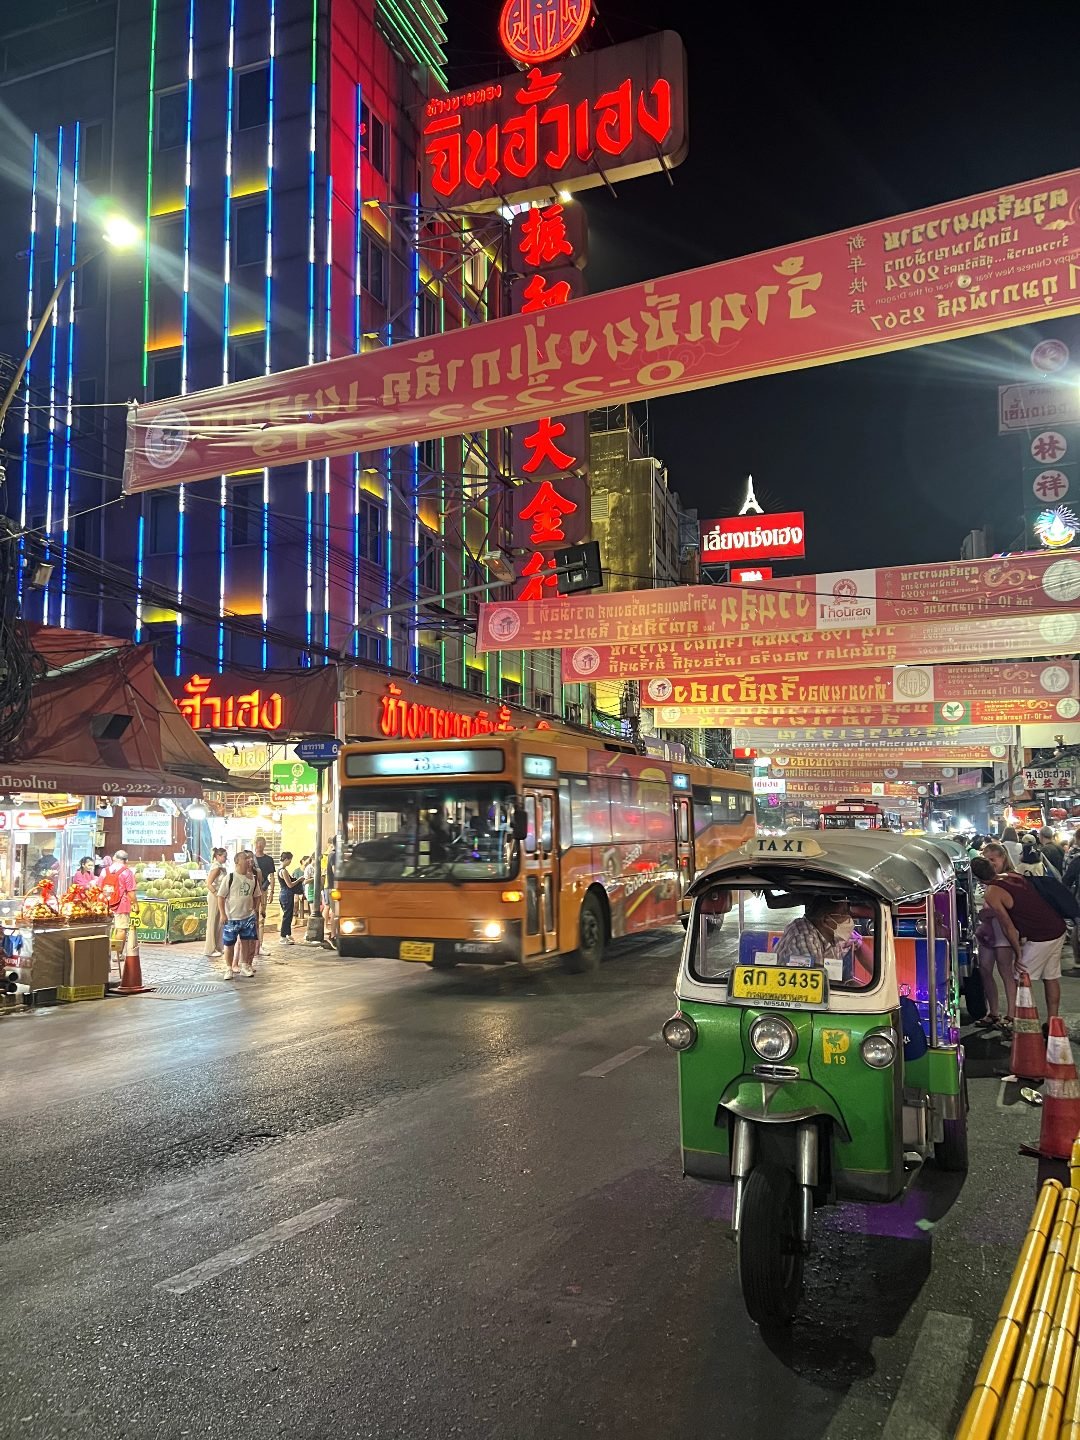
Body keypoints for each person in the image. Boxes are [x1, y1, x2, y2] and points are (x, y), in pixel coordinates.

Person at [970, 855, 1065, 1031]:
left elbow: (1008, 927)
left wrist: (1018, 954)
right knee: (1050, 976)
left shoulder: (992, 892)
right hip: (1057, 927)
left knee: (1020, 976)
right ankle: (1053, 1021)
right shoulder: (1014, 876)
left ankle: (1022, 1024)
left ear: (978, 878)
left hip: (1041, 935)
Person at [775, 896, 874, 982]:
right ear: (826, 920)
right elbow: (815, 980)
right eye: (844, 914)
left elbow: (858, 944)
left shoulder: (833, 931)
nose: (849, 918)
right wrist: (848, 985)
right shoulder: (802, 937)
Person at [217, 850, 259, 978]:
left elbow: (257, 895)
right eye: (245, 859)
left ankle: (245, 965)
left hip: (247, 917)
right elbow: (221, 896)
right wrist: (223, 914)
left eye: (249, 859)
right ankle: (229, 968)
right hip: (231, 917)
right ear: (237, 862)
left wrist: (255, 909)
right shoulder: (230, 878)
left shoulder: (253, 879)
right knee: (229, 944)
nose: (248, 861)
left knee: (246, 942)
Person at [101, 850, 138, 972]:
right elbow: (131, 891)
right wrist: (135, 904)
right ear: (126, 861)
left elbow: (99, 887)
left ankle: (103, 953)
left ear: (113, 857)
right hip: (121, 904)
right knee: (121, 928)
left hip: (105, 903)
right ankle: (117, 955)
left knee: (106, 929)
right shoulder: (127, 872)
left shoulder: (104, 871)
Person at [202, 847, 227, 959]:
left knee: (219, 922)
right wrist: (216, 894)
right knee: (213, 921)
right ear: (217, 856)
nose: (225, 858)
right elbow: (209, 883)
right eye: (224, 856)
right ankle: (210, 948)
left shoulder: (221, 867)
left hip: (219, 896)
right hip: (214, 897)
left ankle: (218, 946)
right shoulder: (216, 867)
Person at [252, 838, 275, 955]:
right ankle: (250, 944)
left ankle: (259, 945)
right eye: (257, 843)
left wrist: (272, 891)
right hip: (251, 891)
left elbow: (271, 876)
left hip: (263, 890)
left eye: (261, 844)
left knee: (261, 917)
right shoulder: (250, 859)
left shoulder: (269, 859)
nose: (259, 845)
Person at [276, 851, 304, 946]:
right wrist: (299, 880)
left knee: (289, 914)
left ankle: (287, 934)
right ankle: (283, 936)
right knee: (287, 915)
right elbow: (290, 885)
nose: (290, 862)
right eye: (290, 860)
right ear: (286, 859)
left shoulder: (281, 870)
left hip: (286, 894)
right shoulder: (283, 871)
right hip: (286, 893)